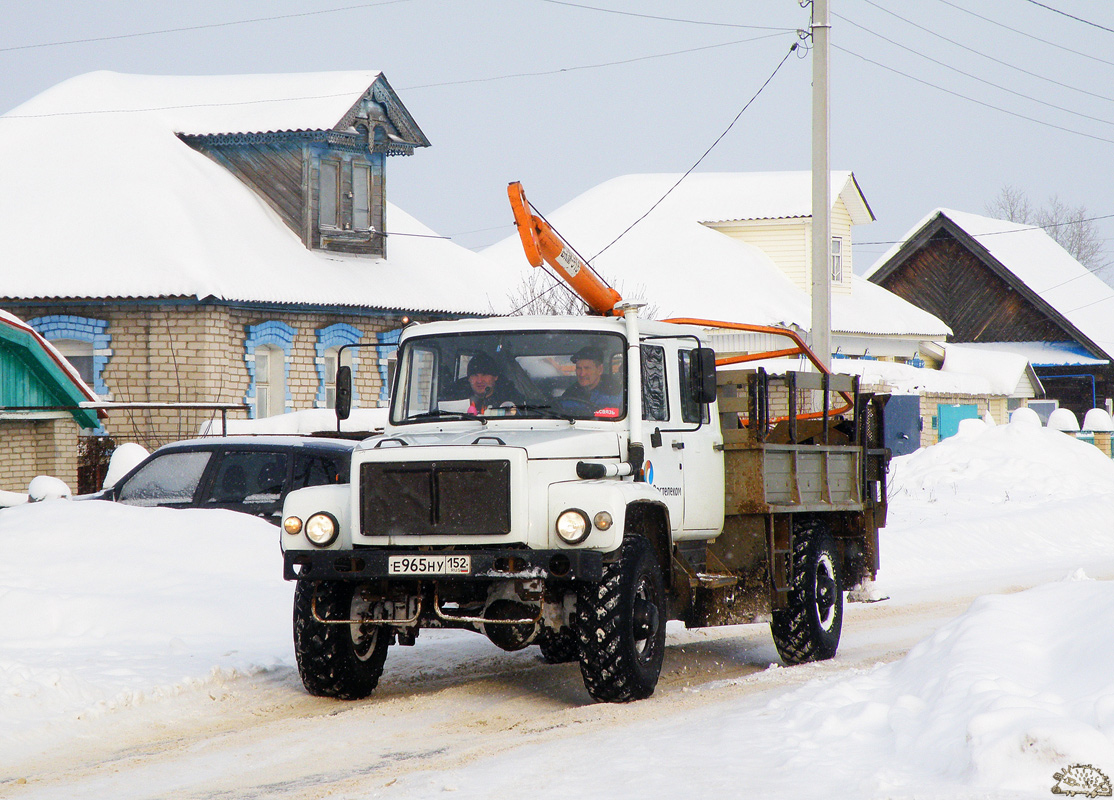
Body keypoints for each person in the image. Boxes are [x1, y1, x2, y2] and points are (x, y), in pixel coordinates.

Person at [441, 352, 521, 415]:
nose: (479, 380)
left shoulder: (510, 398)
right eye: (475, 375)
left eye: (484, 375)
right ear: (468, 379)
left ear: (495, 377)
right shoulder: (455, 396)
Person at [557, 346, 622, 417]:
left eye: (587, 368)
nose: (582, 374)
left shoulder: (616, 393)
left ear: (600, 369)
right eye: (579, 368)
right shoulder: (570, 394)